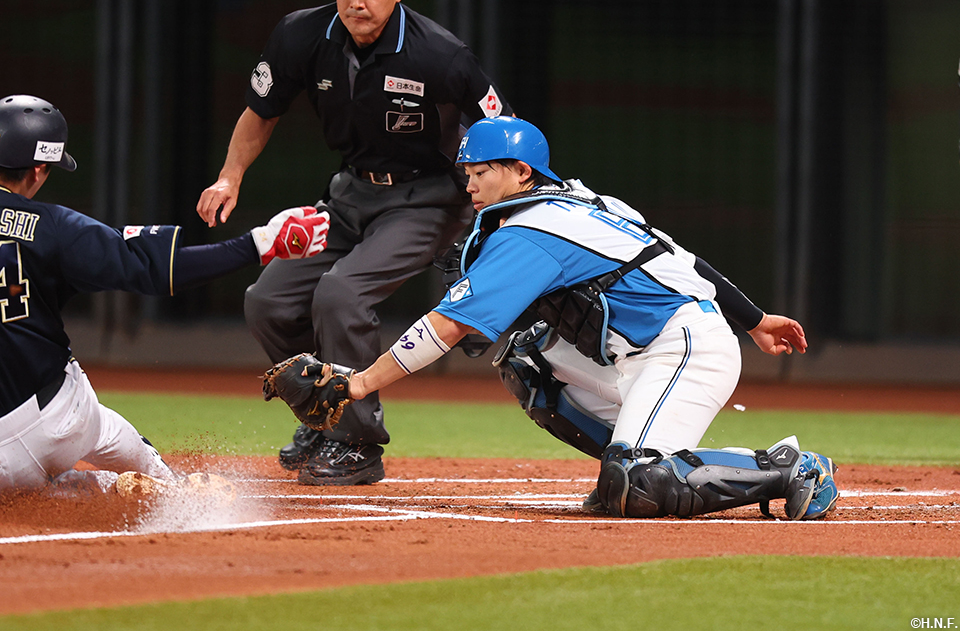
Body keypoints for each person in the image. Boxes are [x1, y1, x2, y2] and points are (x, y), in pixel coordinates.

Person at [301, 115, 839, 520]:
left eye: (481, 172)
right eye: (466, 173)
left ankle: (789, 467)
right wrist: (755, 320)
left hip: (684, 349)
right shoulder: (582, 200)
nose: (469, 185)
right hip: (634, 355)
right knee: (530, 359)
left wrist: (358, 384)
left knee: (641, 484)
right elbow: (685, 259)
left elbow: (449, 326)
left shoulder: (530, 231)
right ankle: (627, 464)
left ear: (521, 172)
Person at [196, 0, 512, 486]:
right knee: (269, 301)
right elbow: (261, 111)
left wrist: (492, 227)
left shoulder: (439, 54)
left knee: (342, 293)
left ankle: (356, 443)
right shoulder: (302, 34)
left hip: (428, 198)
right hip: (349, 194)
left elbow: (504, 133)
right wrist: (229, 177)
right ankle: (323, 415)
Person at [0, 94, 330, 498]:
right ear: (39, 168)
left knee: (31, 483)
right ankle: (167, 488)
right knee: (107, 430)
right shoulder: (51, 226)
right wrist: (259, 243)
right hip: (57, 421)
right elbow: (157, 269)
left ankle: (61, 490)